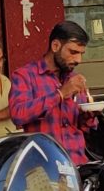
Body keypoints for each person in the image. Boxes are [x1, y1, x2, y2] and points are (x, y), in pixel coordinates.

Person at [10, 21, 97, 163]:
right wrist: (60, 94)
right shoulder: (25, 76)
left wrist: (90, 114)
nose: (78, 60)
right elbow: (18, 114)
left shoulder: (74, 79)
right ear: (55, 46)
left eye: (81, 54)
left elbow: (86, 128)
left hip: (77, 163)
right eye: (73, 52)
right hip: (44, 166)